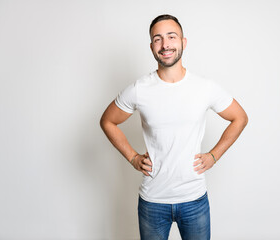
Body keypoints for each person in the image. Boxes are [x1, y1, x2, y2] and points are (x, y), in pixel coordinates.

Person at [100, 14, 248, 240]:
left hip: (194, 199)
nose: (165, 44)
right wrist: (132, 157)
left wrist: (214, 155)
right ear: (151, 47)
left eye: (171, 36)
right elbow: (108, 121)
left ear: (183, 42)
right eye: (158, 39)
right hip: (153, 202)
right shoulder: (140, 89)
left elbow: (240, 117)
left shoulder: (204, 87)